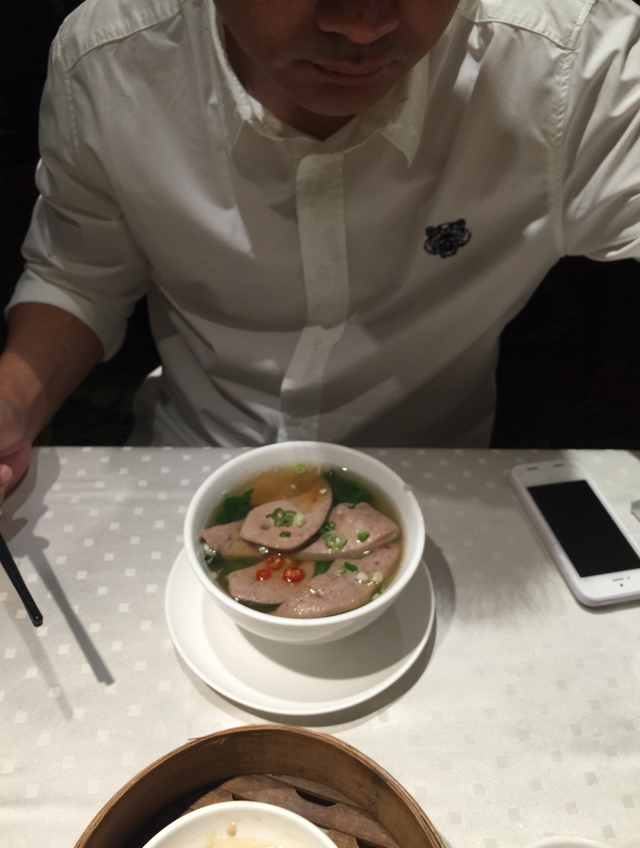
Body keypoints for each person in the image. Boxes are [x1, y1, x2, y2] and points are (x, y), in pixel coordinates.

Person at [1, 0, 639, 503]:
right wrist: (13, 404)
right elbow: (80, 276)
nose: (362, 23)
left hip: (435, 479)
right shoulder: (109, 60)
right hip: (192, 461)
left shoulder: (570, 66)